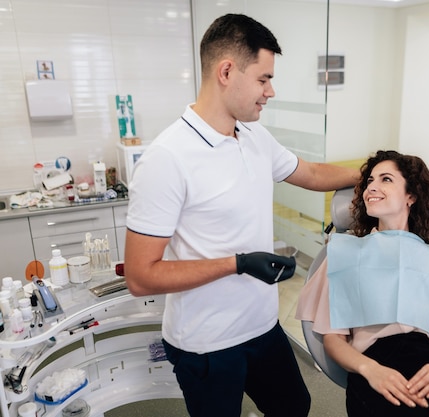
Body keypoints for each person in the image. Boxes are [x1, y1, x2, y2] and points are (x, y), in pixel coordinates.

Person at [123, 13, 359, 417]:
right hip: (206, 343)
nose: (271, 91)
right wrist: (238, 264)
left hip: (262, 327)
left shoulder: (253, 135)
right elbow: (140, 276)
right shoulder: (168, 159)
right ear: (227, 71)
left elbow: (313, 173)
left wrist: (380, 170)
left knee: (294, 406)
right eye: (264, 78)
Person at [296, 150, 429, 416]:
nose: (372, 187)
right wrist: (372, 370)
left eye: (386, 179)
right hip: (376, 362)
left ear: (411, 196)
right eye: (369, 181)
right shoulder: (345, 253)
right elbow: (333, 340)